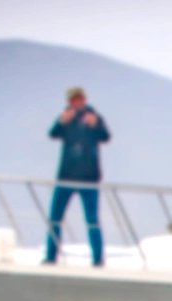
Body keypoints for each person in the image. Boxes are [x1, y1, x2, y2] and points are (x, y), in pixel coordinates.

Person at [43, 87, 110, 266]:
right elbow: (52, 134)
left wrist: (95, 124)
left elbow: (105, 136)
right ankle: (51, 256)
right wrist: (62, 121)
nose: (77, 103)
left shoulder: (94, 117)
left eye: (80, 99)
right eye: (74, 100)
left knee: (92, 220)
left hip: (89, 179)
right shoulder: (67, 118)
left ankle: (98, 258)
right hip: (66, 177)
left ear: (85, 99)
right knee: (55, 218)